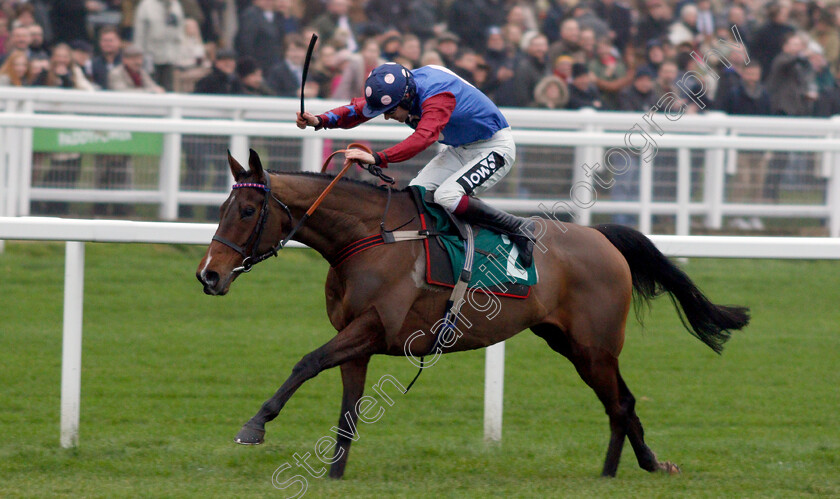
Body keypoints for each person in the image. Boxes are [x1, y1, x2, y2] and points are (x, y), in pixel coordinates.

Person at [295, 63, 535, 265]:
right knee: (417, 194)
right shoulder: (403, 90)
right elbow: (360, 109)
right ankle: (444, 251)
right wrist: (320, 120)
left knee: (447, 196)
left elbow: (423, 138)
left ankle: (518, 227)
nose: (387, 116)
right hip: (461, 147)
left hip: (494, 147)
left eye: (389, 112)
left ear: (407, 97)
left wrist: (379, 157)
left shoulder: (438, 96)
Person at [133, 0, 185, 91]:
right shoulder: (146, 5)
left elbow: (180, 32)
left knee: (169, 90)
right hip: (151, 56)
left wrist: (179, 57)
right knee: (152, 88)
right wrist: (139, 55)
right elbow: (139, 33)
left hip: (171, 57)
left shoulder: (175, 4)